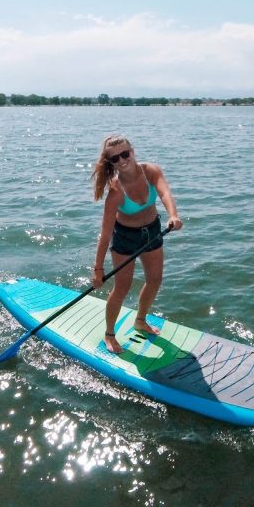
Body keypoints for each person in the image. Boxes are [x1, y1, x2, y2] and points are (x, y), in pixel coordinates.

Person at [91, 134, 182, 354]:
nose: (122, 160)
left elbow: (164, 192)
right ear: (110, 162)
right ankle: (109, 334)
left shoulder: (151, 171)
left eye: (125, 154)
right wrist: (98, 269)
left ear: (133, 151)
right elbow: (105, 233)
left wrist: (173, 215)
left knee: (155, 279)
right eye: (115, 158)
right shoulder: (115, 192)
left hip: (151, 231)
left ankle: (140, 320)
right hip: (125, 237)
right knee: (122, 287)